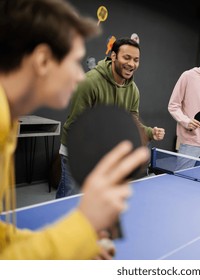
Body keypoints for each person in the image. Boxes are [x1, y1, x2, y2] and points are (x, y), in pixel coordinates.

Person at [0, 0, 149, 259]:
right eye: (74, 61)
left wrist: (75, 242)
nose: (80, 76)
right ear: (43, 60)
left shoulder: (7, 124)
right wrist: (82, 226)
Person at [56, 37, 165, 198]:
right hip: (76, 151)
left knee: (93, 201)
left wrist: (149, 132)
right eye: (126, 57)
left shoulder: (133, 90)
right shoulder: (89, 83)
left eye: (136, 60)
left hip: (103, 155)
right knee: (69, 199)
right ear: (113, 56)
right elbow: (75, 125)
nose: (131, 64)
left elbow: (131, 121)